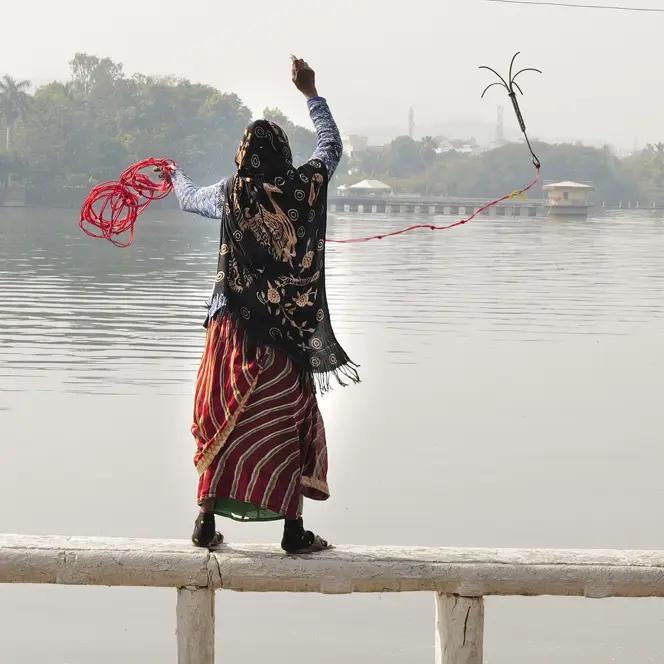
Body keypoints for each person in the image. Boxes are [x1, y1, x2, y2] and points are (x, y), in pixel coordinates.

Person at [157, 56, 358, 554]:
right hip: (287, 336)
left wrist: (174, 175)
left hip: (232, 331)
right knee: (289, 419)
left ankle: (204, 523)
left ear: (242, 157)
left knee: (221, 411)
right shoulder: (304, 185)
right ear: (284, 155)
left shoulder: (230, 193)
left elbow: (187, 200)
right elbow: (331, 147)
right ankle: (293, 531)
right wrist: (311, 93)